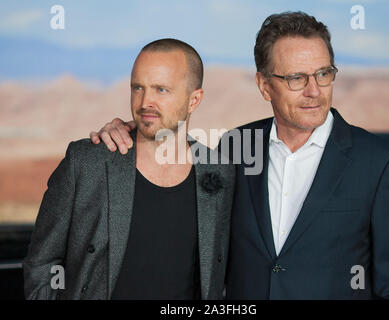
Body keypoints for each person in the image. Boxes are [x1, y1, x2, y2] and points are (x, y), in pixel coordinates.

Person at [90, 12, 389, 299]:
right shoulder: (233, 147)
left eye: (323, 74)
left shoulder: (380, 164)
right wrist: (130, 131)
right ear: (265, 86)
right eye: (296, 78)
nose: (314, 91)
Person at [23, 38, 235, 300]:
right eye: (138, 87)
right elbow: (42, 264)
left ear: (194, 100)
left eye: (161, 90)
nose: (145, 101)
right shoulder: (86, 163)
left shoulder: (220, 173)